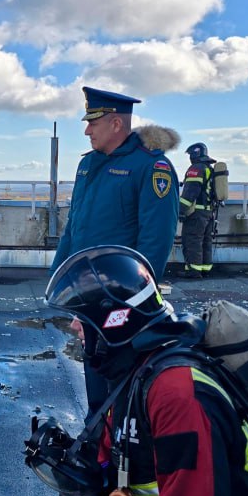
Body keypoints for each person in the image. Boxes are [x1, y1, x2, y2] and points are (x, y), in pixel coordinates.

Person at [34, 245, 248, 496]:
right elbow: (102, 467)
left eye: (83, 319)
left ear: (113, 320)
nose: (76, 328)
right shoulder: (133, 380)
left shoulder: (176, 392)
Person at [51, 86, 181, 413]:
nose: (86, 130)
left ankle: (121, 454)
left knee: (122, 390)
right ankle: (101, 455)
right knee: (97, 384)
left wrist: (127, 306)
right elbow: (74, 227)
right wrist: (59, 280)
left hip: (123, 301)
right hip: (91, 295)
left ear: (116, 124)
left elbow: (156, 241)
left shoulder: (151, 167)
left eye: (93, 123)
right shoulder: (89, 166)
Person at [178, 142, 218, 278]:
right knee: (206, 241)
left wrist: (180, 210)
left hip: (197, 213)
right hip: (209, 212)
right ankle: (205, 269)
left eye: (190, 154)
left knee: (192, 241)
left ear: (194, 154)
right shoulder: (209, 168)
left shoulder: (195, 169)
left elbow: (190, 193)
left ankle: (193, 271)